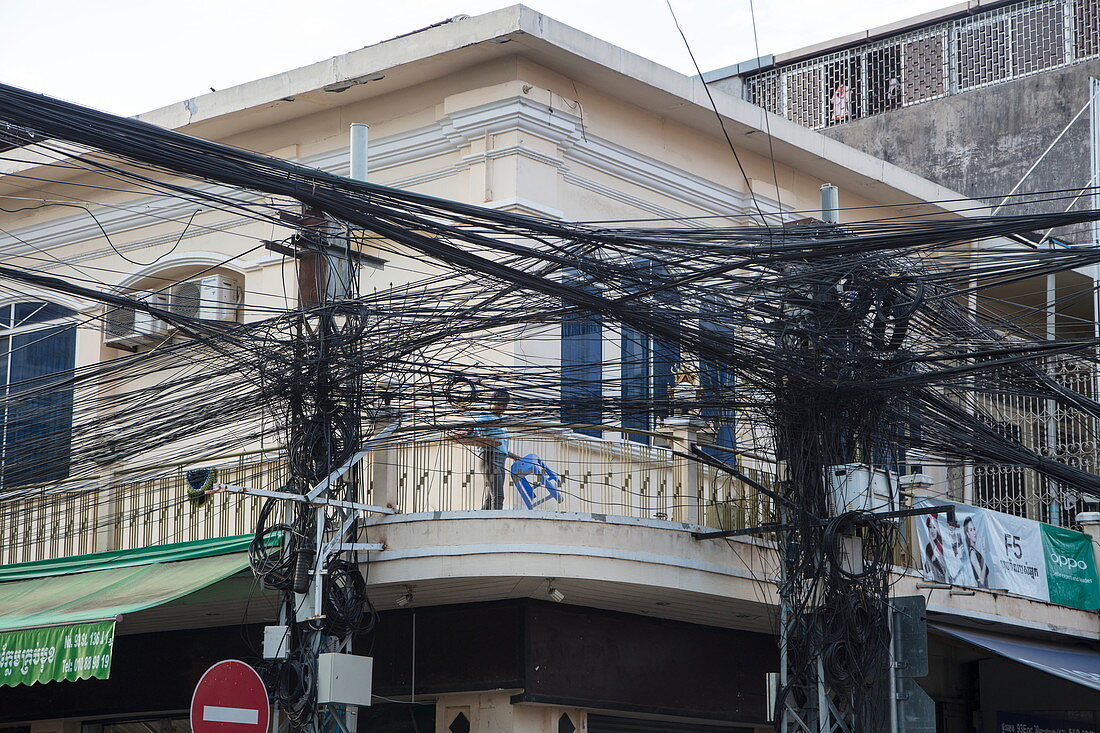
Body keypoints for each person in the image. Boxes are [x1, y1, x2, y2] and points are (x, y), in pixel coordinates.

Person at [457, 389, 515, 510]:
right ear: (491, 402)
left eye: (504, 405)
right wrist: (465, 432)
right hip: (490, 459)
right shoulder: (486, 416)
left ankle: (483, 517)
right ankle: (496, 520)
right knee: (498, 495)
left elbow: (500, 446)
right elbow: (474, 425)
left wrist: (513, 456)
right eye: (498, 404)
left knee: (491, 495)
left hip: (500, 459)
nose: (501, 408)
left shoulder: (500, 422)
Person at [964, 516, 989, 589]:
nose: (974, 532)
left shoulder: (976, 552)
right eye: (971, 530)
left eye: (974, 529)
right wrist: (984, 552)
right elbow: (981, 579)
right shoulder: (972, 553)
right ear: (967, 534)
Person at [922, 514, 947, 583]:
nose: (932, 530)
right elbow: (926, 569)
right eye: (930, 527)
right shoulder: (928, 547)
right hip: (934, 582)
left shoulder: (944, 546)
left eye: (934, 527)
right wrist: (932, 558)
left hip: (947, 582)